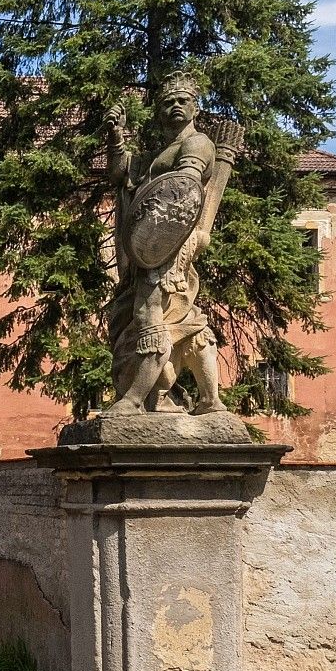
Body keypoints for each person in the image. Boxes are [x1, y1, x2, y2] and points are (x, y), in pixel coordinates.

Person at [107, 73, 233, 417]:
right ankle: (209, 399)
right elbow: (121, 175)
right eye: (167, 102)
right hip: (150, 249)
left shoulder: (197, 144)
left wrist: (174, 242)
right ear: (158, 111)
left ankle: (133, 400)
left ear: (195, 107)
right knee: (185, 318)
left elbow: (183, 194)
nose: (175, 106)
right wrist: (117, 139)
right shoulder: (159, 152)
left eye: (182, 101)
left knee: (150, 318)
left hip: (169, 248)